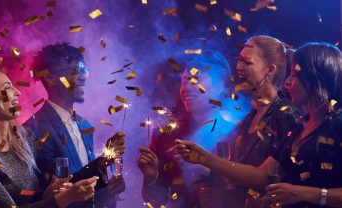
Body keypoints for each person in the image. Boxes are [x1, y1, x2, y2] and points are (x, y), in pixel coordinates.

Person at [176, 42, 342, 208]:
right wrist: (205, 158)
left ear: (315, 78)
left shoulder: (336, 125)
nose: (288, 81)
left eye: (295, 75)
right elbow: (261, 176)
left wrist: (304, 193)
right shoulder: (301, 125)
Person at [0, 66, 98, 208]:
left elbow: (29, 201)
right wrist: (65, 198)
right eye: (7, 87)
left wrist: (47, 195)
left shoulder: (24, 140)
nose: (17, 92)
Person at [24, 43, 125, 208]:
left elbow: (87, 185)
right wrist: (101, 163)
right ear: (50, 78)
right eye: (73, 72)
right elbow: (61, 189)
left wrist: (108, 190)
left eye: (83, 70)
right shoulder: (33, 129)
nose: (82, 77)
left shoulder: (84, 124)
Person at [138, 50, 244, 208]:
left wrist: (212, 179)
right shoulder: (165, 135)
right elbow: (155, 201)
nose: (187, 87)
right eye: (185, 80)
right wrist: (152, 177)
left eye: (196, 79)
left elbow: (251, 194)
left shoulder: (237, 135)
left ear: (220, 85)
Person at [222, 35, 299, 207]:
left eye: (247, 62)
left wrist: (207, 160)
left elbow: (265, 179)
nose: (238, 67)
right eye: (239, 60)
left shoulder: (286, 115)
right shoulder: (250, 116)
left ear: (270, 70)